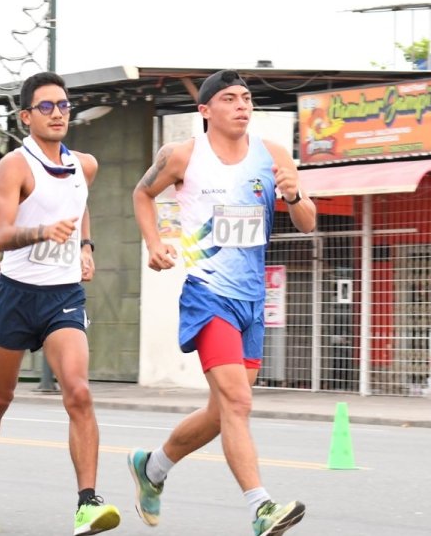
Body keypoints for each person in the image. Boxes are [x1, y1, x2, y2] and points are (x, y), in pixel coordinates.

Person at [127, 69, 316, 536]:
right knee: (237, 400)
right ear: (205, 110)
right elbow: (142, 194)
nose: (241, 105)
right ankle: (262, 507)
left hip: (252, 299)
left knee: (223, 411)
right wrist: (154, 243)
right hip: (207, 294)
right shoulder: (182, 156)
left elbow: (308, 221)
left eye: (246, 98)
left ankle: (152, 468)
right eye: (229, 98)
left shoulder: (271, 156)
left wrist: (292, 195)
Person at [0, 71, 120, 535]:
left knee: (79, 391)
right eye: (46, 107)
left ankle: (88, 503)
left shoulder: (83, 165)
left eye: (64, 105)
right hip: (15, 295)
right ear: (26, 116)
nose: (58, 113)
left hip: (63, 296)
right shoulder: (15, 166)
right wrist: (42, 232)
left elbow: (80, 202)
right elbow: (0, 238)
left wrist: (86, 247)